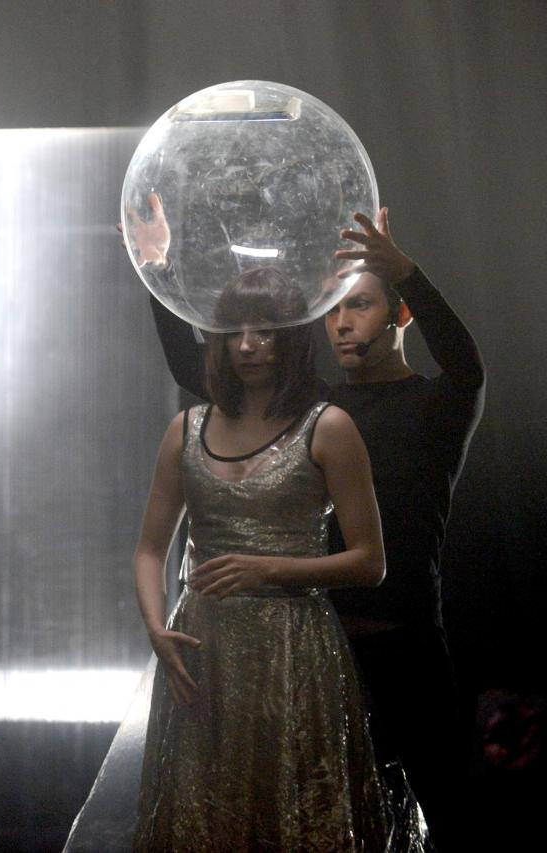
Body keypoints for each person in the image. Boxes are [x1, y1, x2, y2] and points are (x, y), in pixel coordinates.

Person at [132, 194, 485, 846]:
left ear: (399, 313)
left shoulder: (438, 405)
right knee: (327, 822)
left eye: (361, 305)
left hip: (405, 647)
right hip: (317, 648)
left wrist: (405, 271)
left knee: (446, 816)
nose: (342, 324)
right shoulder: (315, 410)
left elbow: (466, 364)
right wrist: (158, 266)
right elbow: (199, 368)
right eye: (334, 309)